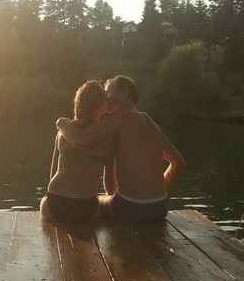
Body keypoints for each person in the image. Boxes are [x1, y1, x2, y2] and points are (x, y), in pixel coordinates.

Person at [56, 76, 186, 222]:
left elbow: (81, 140)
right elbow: (179, 163)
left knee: (95, 203)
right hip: (160, 207)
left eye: (108, 93)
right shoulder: (150, 122)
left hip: (130, 208)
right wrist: (155, 190)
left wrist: (62, 124)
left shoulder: (117, 118)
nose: (105, 99)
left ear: (124, 93)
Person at [40, 80, 116, 222]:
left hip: (55, 204)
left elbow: (53, 171)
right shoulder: (108, 139)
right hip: (86, 207)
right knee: (103, 203)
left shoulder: (64, 131)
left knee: (44, 201)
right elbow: (110, 186)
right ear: (101, 107)